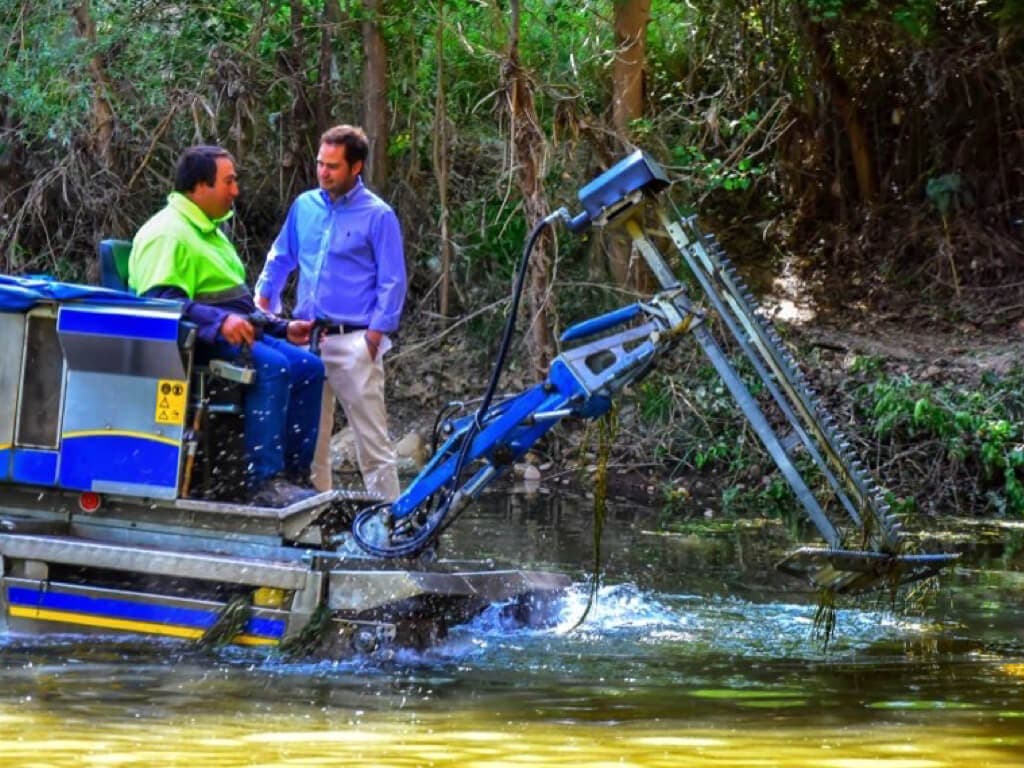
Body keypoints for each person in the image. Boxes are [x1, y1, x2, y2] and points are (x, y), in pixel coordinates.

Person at [129, 145, 325, 507]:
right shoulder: (168, 234)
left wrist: (283, 328)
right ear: (200, 187)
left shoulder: (211, 232)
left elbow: (239, 304)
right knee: (275, 367)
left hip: (235, 330)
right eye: (229, 181)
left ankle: (295, 477)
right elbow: (162, 302)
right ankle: (264, 481)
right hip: (195, 341)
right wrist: (220, 323)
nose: (236, 190)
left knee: (310, 367)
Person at [255, 125, 407, 500]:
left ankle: (390, 523)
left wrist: (374, 337)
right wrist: (264, 305)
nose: (323, 172)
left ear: (356, 167)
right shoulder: (304, 206)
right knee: (311, 444)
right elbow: (280, 258)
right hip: (307, 338)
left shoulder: (378, 215)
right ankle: (317, 523)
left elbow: (393, 281)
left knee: (372, 444)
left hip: (354, 339)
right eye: (320, 164)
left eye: (333, 166)